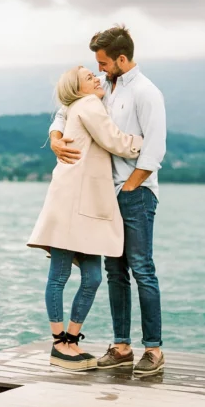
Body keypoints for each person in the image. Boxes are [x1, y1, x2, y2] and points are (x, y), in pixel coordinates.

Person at [49, 26, 167, 377]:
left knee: (142, 270)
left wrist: (129, 189)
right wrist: (55, 138)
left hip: (135, 193)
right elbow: (64, 111)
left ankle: (154, 349)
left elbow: (154, 150)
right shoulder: (102, 90)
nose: (99, 69)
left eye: (104, 63)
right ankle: (121, 346)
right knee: (115, 273)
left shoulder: (147, 93)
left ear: (121, 58)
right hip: (104, 196)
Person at [28, 66, 143, 371]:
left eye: (94, 71)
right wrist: (148, 145)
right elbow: (114, 140)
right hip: (71, 201)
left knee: (92, 277)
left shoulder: (86, 100)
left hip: (86, 204)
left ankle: (71, 341)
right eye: (87, 76)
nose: (95, 76)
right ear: (79, 89)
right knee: (60, 274)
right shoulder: (89, 104)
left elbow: (62, 114)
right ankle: (58, 345)